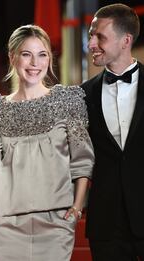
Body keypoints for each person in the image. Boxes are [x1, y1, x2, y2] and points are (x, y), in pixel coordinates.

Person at [0, 25, 94, 261]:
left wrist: (76, 208)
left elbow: (82, 159)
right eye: (27, 54)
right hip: (6, 222)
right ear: (12, 57)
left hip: (56, 222)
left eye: (42, 54)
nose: (35, 62)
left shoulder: (67, 100)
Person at [81, 3, 144, 260]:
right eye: (90, 36)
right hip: (106, 224)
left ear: (125, 40)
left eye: (100, 37)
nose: (91, 44)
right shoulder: (82, 94)